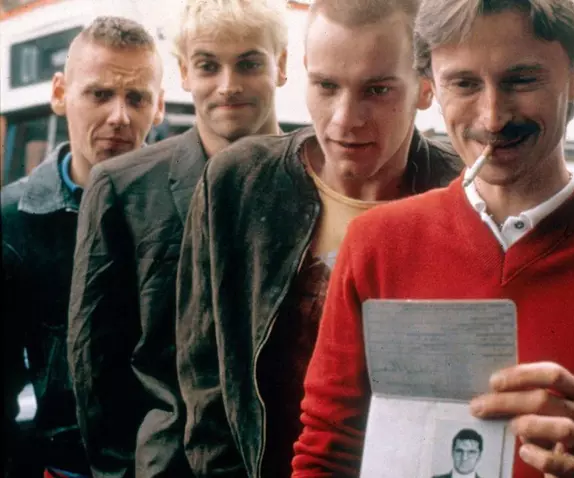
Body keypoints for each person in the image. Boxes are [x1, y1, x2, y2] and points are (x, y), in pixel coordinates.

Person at [292, 0, 574, 477]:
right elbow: (326, 451)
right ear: (431, 85)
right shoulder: (374, 243)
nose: (493, 117)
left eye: (521, 80)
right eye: (464, 84)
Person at [174, 0, 462, 476]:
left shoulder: (466, 196)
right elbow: (204, 382)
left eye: (377, 90)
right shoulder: (238, 182)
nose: (345, 118)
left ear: (426, 87)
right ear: (304, 73)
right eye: (326, 86)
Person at [66, 1, 288, 477]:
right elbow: (95, 366)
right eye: (208, 65)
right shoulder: (123, 187)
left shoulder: (317, 178)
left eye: (249, 64)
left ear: (282, 65)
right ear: (185, 72)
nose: (228, 85)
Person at [2, 16, 164, 478]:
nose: (119, 116)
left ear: (158, 107)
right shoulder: (12, 220)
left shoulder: (186, 211)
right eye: (100, 94)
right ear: (59, 93)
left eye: (137, 98)